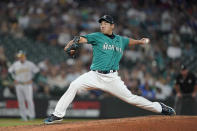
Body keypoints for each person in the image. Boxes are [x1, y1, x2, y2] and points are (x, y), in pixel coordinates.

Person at [44, 15, 176, 124]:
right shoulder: (97, 36)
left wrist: (140, 41)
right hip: (94, 75)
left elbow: (129, 41)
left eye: (106, 23)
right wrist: (73, 42)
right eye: (101, 23)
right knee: (73, 85)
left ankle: (160, 107)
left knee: (131, 99)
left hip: (112, 78)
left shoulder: (120, 40)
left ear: (112, 26)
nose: (102, 25)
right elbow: (80, 39)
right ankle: (57, 115)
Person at [8, 50, 40, 121]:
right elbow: (9, 72)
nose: (21, 58)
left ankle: (32, 116)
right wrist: (13, 80)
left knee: (29, 100)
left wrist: (33, 80)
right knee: (21, 101)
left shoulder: (30, 64)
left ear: (25, 56)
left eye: (22, 56)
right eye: (19, 57)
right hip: (18, 85)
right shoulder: (15, 64)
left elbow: (37, 72)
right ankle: (23, 117)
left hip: (27, 84)